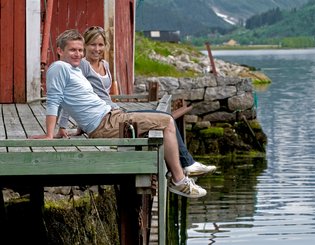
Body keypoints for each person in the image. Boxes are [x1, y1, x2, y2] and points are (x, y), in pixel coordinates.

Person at [31, 29, 206, 198]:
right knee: (167, 121)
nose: (77, 54)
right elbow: (54, 98)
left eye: (80, 50)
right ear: (60, 51)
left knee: (162, 122)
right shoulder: (59, 67)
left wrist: (61, 128)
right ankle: (179, 181)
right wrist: (49, 134)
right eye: (72, 50)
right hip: (104, 124)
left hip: (110, 117)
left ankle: (181, 170)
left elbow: (64, 99)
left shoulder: (73, 69)